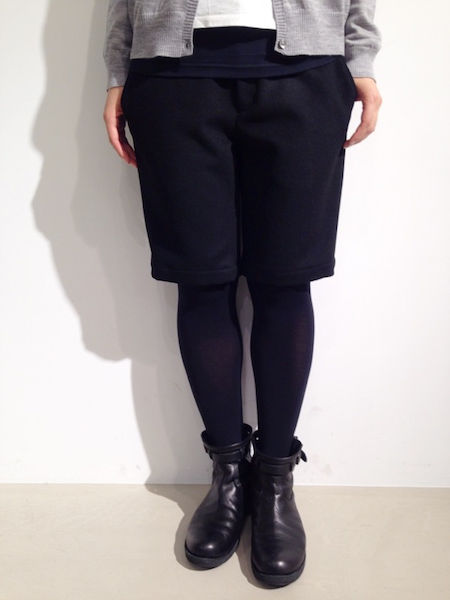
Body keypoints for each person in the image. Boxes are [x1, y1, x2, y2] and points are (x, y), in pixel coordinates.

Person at [102, 0, 382, 588]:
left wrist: (361, 58)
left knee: (286, 279)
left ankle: (275, 478)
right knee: (201, 280)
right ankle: (227, 474)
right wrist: (118, 70)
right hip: (171, 78)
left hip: (306, 75)